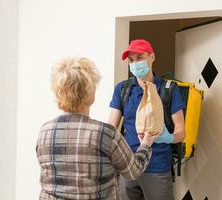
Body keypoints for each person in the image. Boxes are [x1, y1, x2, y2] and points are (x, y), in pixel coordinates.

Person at [36, 57, 159, 200]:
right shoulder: (105, 134)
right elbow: (133, 172)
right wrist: (146, 144)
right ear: (91, 94)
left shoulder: (45, 132)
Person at [108, 39, 186, 200]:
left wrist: (169, 137)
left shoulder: (168, 89)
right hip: (127, 168)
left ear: (152, 57)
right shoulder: (122, 89)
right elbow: (111, 129)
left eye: (140, 57)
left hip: (157, 167)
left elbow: (181, 132)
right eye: (131, 60)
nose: (135, 64)